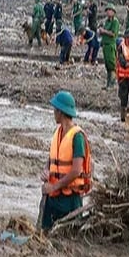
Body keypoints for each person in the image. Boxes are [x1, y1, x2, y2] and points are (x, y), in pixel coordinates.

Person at [40, 91, 91, 233]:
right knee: (46, 232)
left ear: (60, 112)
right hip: (54, 198)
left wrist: (54, 186)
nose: (53, 113)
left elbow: (76, 171)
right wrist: (46, 171)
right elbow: (51, 159)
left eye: (54, 110)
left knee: (67, 236)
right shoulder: (57, 132)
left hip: (70, 201)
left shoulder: (77, 137)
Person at [98, 4, 120, 89]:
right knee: (107, 66)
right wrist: (101, 31)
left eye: (109, 10)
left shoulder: (115, 22)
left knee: (112, 65)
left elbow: (113, 34)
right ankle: (108, 84)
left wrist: (104, 31)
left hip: (111, 45)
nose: (108, 12)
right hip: (105, 45)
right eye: (107, 10)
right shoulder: (107, 21)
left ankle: (112, 84)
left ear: (113, 12)